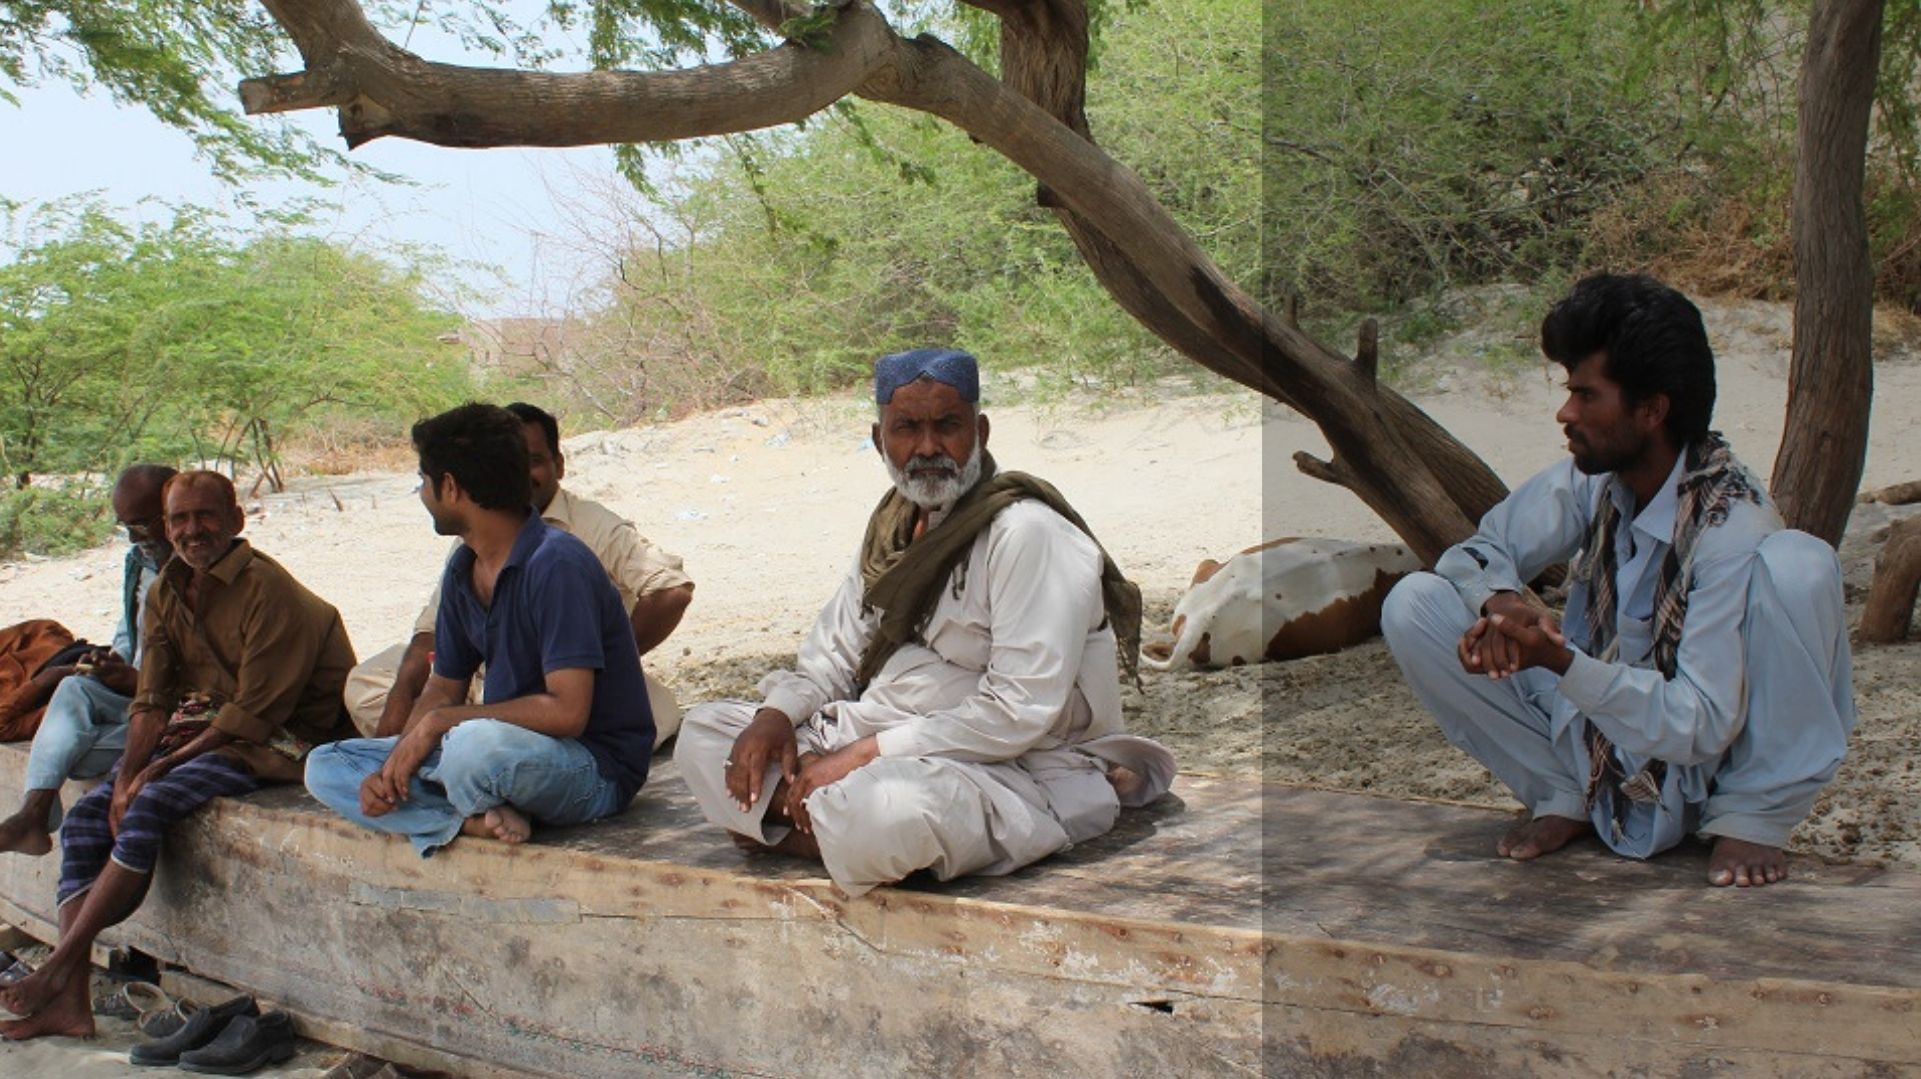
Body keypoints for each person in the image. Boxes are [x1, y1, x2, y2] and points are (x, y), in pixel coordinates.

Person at [1381, 273, 1854, 888]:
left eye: (1586, 395)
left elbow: (1700, 723)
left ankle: (1753, 817)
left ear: (1651, 410)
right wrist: (1503, 604)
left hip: (1700, 769)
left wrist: (1560, 662)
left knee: (1799, 566)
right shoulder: (1596, 479)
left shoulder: (1729, 526)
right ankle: (1564, 793)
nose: (1566, 413)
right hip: (1601, 737)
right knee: (1415, 603)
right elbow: (1479, 552)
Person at [678, 348, 1175, 897]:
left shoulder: (1026, 534)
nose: (928, 447)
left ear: (980, 432)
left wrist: (863, 756)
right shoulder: (890, 530)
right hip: (873, 733)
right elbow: (834, 658)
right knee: (705, 732)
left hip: (1008, 766)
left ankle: (800, 835)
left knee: (890, 809)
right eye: (907, 428)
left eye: (948, 426)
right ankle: (829, 823)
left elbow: (1018, 710)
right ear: (879, 440)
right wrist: (776, 716)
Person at [0, 470, 356, 1039]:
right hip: (205, 724)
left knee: (150, 804)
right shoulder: (166, 589)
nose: (193, 531)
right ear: (167, 529)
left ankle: (59, 968)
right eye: (179, 520)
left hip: (282, 739)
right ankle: (71, 1002)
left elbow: (256, 712)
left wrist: (156, 771)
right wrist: (127, 774)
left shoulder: (269, 590)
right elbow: (152, 699)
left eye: (205, 516)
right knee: (91, 815)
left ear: (236, 519)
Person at [304, 403, 654, 855]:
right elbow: (443, 687)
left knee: (473, 748)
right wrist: (395, 765)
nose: (423, 494)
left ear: (450, 487)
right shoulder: (463, 568)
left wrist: (438, 725)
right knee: (327, 764)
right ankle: (469, 821)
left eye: (424, 481)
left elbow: (568, 713)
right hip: (498, 753)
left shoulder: (556, 564)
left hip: (590, 768)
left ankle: (453, 806)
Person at [343, 402, 693, 741]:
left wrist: (607, 662)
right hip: (485, 686)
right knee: (364, 694)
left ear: (559, 465)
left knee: (644, 716)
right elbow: (434, 638)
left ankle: (471, 744)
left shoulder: (577, 538)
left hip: (568, 688)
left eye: (533, 461)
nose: (520, 474)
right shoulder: (472, 545)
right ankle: (467, 742)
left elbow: (671, 588)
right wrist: (401, 722)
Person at [0, 465, 176, 856]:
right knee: (74, 687)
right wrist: (112, 663)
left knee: (68, 753)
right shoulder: (141, 563)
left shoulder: (209, 576)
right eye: (126, 526)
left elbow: (217, 679)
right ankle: (32, 815)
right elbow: (129, 635)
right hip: (138, 695)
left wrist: (138, 682)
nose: (134, 538)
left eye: (142, 524)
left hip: (182, 709)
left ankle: (35, 812)